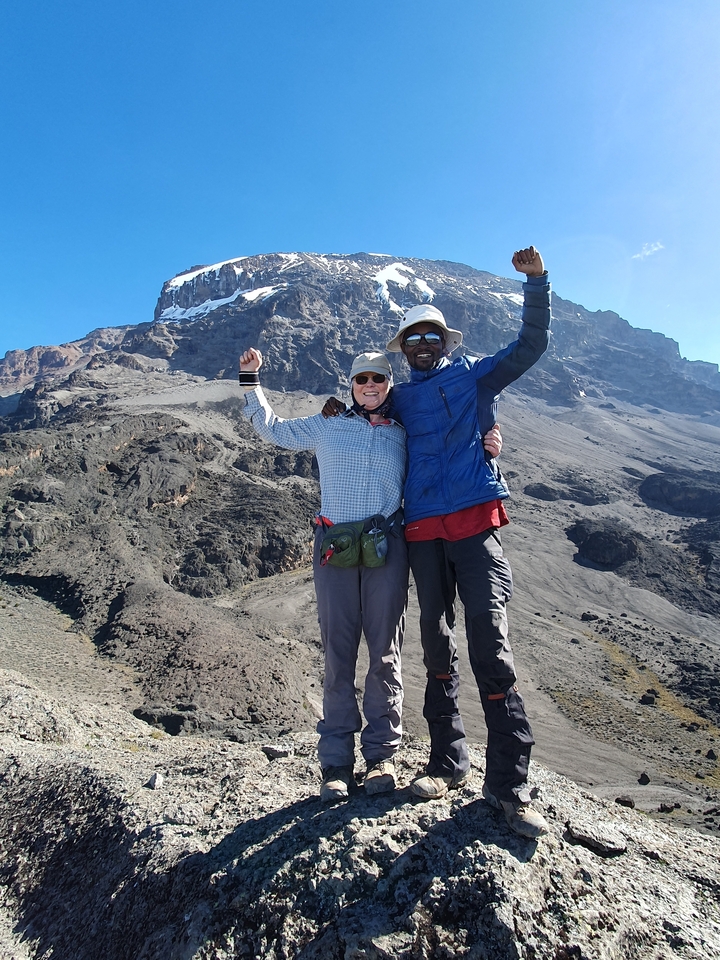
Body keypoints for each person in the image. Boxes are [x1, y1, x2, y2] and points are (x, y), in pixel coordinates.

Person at [322, 245, 551, 838]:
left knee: (491, 648)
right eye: (413, 339)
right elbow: (366, 403)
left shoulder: (475, 375)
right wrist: (337, 410)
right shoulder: (398, 396)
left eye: (431, 337)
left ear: (445, 341)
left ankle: (510, 787)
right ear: (406, 349)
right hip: (423, 531)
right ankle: (447, 760)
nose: (423, 345)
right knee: (435, 643)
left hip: (475, 525)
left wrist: (536, 282)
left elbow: (529, 348)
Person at [239, 348, 409, 802]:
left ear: (389, 384)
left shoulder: (404, 432)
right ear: (350, 386)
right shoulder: (327, 424)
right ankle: (336, 763)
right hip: (335, 549)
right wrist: (249, 378)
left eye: (378, 378)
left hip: (386, 548)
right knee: (338, 655)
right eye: (361, 380)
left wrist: (491, 434)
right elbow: (270, 429)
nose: (369, 386)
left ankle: (382, 757)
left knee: (385, 655)